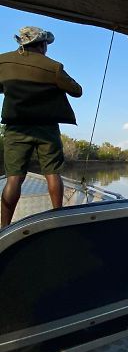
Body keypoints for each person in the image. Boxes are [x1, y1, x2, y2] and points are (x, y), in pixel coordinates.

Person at [0, 26, 82, 227]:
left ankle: (4, 228)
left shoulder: (3, 61)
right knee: (53, 174)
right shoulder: (53, 66)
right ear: (42, 44)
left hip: (16, 128)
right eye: (46, 44)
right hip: (47, 129)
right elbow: (77, 91)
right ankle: (58, 220)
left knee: (14, 179)